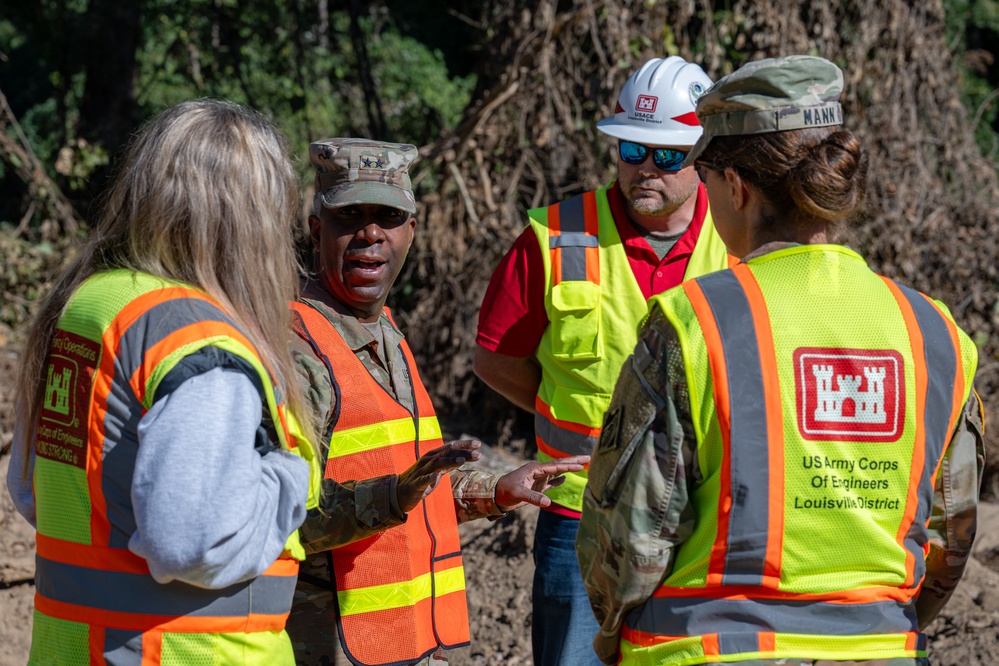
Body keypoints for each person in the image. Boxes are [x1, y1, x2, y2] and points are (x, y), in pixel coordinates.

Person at [576, 55, 986, 666]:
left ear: (735, 186)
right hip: (883, 649)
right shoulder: (938, 334)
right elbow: (955, 534)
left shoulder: (691, 322)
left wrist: (612, 632)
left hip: (706, 649)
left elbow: (631, 536)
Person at [6, 99, 321, 665]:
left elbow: (33, 492)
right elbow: (188, 543)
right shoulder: (201, 344)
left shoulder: (89, 305)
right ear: (254, 219)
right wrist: (286, 477)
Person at [286, 137, 589, 666]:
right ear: (317, 230)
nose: (370, 233)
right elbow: (283, 517)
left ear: (412, 230)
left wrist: (494, 490)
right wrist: (395, 495)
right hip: (332, 649)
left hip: (415, 648)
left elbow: (409, 485)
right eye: (349, 216)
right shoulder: (295, 347)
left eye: (388, 217)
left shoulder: (386, 332)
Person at [473, 56, 733, 665]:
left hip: (704, 512)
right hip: (582, 512)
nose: (646, 168)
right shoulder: (555, 235)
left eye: (667, 155)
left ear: (703, 157)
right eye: (631, 150)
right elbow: (497, 359)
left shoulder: (738, 240)